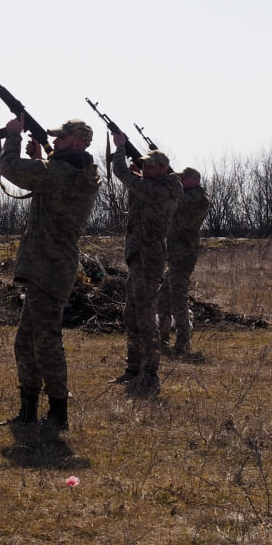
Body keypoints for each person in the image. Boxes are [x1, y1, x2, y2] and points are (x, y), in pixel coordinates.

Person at [0, 116, 100, 433]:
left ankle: (57, 413)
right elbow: (49, 186)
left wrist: (12, 138)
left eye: (61, 138)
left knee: (45, 342)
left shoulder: (62, 171)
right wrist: (39, 161)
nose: (54, 142)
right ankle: (28, 411)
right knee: (25, 342)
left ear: (78, 140)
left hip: (50, 266)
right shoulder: (72, 171)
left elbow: (10, 170)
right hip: (48, 264)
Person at [108, 135, 182, 397]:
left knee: (145, 317)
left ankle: (149, 373)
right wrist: (138, 175)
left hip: (149, 261)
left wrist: (119, 147)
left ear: (163, 168)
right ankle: (133, 368)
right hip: (138, 258)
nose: (146, 169)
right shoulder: (152, 186)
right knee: (132, 315)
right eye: (145, 166)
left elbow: (118, 172)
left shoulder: (161, 189)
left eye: (151, 166)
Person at [158, 167, 210, 358]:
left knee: (178, 298)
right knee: (162, 298)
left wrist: (169, 180)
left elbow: (178, 200)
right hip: (174, 254)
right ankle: (162, 341)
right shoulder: (185, 194)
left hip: (185, 254)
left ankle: (182, 344)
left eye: (183, 178)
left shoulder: (199, 197)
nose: (180, 181)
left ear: (195, 179)